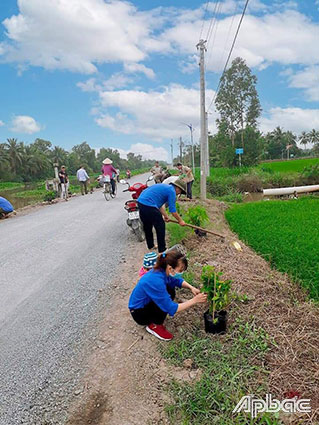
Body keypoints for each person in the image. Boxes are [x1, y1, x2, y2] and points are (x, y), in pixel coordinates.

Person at [129, 251, 207, 341]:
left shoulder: (161, 270)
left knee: (170, 289)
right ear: (170, 268)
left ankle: (156, 317)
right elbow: (171, 308)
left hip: (144, 304)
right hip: (139, 313)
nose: (181, 273)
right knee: (166, 298)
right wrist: (194, 300)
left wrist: (191, 287)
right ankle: (154, 326)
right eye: (180, 270)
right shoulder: (155, 280)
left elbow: (176, 281)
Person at [137, 179, 187, 253]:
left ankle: (150, 246)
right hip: (149, 205)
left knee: (147, 225)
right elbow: (173, 210)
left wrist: (165, 216)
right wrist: (180, 221)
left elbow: (159, 206)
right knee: (160, 226)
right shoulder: (172, 191)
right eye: (180, 192)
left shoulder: (165, 187)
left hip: (141, 202)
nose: (178, 194)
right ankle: (162, 249)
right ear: (177, 188)